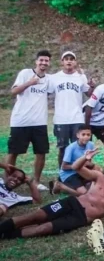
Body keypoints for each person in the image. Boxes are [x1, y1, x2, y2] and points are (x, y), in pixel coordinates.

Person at [0, 151, 104, 239]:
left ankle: (7, 235)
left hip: (81, 218)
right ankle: (2, 228)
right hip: (72, 203)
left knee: (44, 228)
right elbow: (76, 167)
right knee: (35, 216)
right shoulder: (99, 177)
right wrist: (85, 158)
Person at [7, 50, 52, 191]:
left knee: (41, 152)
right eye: (41, 60)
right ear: (36, 61)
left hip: (39, 122)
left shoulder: (49, 79)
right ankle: (6, 180)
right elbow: (13, 92)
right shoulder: (25, 73)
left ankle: (36, 181)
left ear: (49, 63)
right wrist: (29, 83)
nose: (43, 63)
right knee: (13, 152)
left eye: (46, 60)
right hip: (21, 121)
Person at [48, 51, 94, 168]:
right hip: (61, 119)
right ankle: (62, 174)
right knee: (63, 149)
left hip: (77, 118)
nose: (69, 61)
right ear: (62, 62)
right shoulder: (54, 77)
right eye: (66, 59)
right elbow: (46, 93)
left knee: (78, 148)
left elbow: (89, 94)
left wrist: (92, 86)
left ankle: (79, 174)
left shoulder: (80, 77)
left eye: (72, 59)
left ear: (75, 62)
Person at [50, 124, 96, 196]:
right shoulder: (71, 148)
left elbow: (88, 162)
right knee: (84, 194)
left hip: (80, 171)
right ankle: (61, 186)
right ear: (78, 135)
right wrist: (76, 165)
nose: (86, 137)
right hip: (69, 173)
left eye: (88, 135)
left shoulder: (91, 145)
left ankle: (78, 184)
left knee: (99, 170)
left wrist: (89, 164)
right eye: (83, 134)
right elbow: (64, 167)